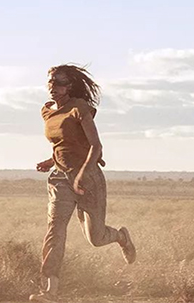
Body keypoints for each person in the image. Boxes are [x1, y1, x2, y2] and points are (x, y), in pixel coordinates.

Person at [29, 64, 136, 303]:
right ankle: (49, 290)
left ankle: (120, 237)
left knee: (95, 238)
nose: (53, 87)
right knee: (55, 230)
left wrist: (80, 175)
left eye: (60, 82)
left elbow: (95, 147)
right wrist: (51, 160)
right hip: (60, 179)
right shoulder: (47, 112)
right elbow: (63, 143)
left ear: (70, 86)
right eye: (51, 82)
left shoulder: (79, 108)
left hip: (88, 179)